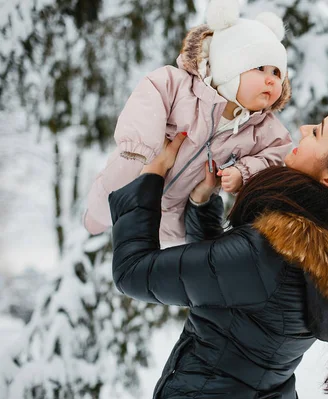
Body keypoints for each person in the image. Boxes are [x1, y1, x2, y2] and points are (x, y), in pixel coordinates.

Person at [109, 104, 328, 399]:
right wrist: (202, 202)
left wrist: (149, 177)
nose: (305, 128)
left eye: (318, 132)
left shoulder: (272, 257)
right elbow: (227, 291)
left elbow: (133, 272)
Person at [84, 0, 293, 245]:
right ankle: (93, 220)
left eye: (277, 73)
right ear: (228, 65)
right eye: (260, 68)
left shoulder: (265, 129)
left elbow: (278, 157)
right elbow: (150, 94)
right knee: (106, 202)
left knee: (155, 249)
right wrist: (140, 148)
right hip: (136, 168)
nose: (271, 80)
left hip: (175, 215)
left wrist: (243, 172)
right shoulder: (181, 86)